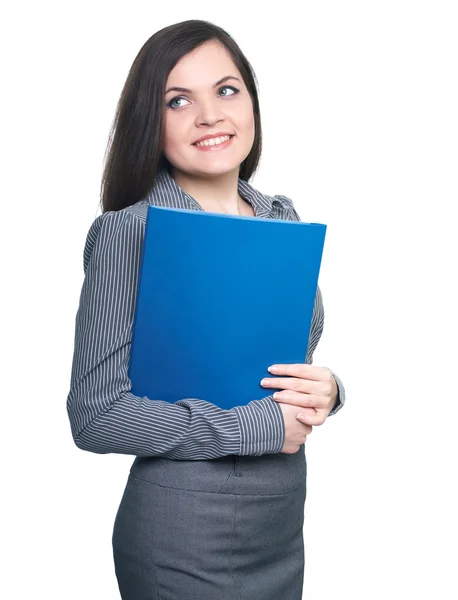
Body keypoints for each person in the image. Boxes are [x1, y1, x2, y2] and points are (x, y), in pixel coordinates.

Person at [66, 19, 346, 600]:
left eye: (226, 90)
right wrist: (257, 425)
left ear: (250, 102)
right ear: (152, 121)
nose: (210, 116)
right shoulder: (129, 233)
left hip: (279, 522)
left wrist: (329, 390)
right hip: (183, 530)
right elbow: (95, 415)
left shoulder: (280, 218)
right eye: (178, 100)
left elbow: (274, 367)